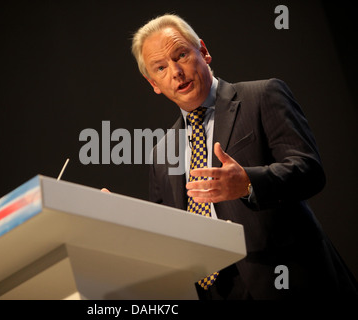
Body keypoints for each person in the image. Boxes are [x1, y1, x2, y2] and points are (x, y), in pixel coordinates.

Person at [131, 13, 357, 300]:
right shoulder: (162, 153)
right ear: (153, 83)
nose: (175, 72)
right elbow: (167, 234)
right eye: (161, 68)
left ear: (203, 51)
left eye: (182, 55)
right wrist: (120, 217)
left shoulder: (262, 97)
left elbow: (309, 170)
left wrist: (249, 183)